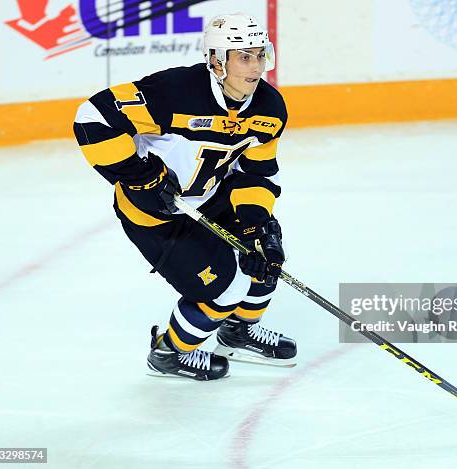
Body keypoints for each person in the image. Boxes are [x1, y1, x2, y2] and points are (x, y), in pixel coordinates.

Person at [73, 13, 296, 380]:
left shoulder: (269, 108)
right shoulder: (175, 91)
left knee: (265, 255)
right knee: (225, 289)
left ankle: (238, 332)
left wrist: (256, 223)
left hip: (209, 196)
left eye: (260, 55)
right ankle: (168, 354)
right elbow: (92, 118)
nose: (255, 67)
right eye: (244, 56)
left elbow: (255, 172)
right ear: (216, 60)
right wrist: (140, 177)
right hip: (157, 215)